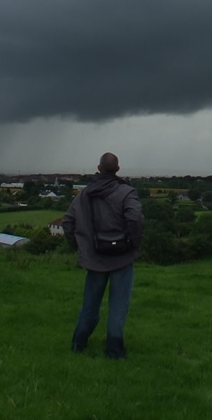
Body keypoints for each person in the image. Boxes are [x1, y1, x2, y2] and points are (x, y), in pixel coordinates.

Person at [62, 152, 144, 359]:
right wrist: (133, 244)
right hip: (122, 257)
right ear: (118, 169)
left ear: (98, 168)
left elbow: (68, 223)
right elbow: (135, 219)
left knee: (90, 304)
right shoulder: (127, 192)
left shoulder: (83, 195)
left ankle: (78, 344)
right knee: (118, 305)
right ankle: (114, 351)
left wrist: (80, 247)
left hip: (95, 258)